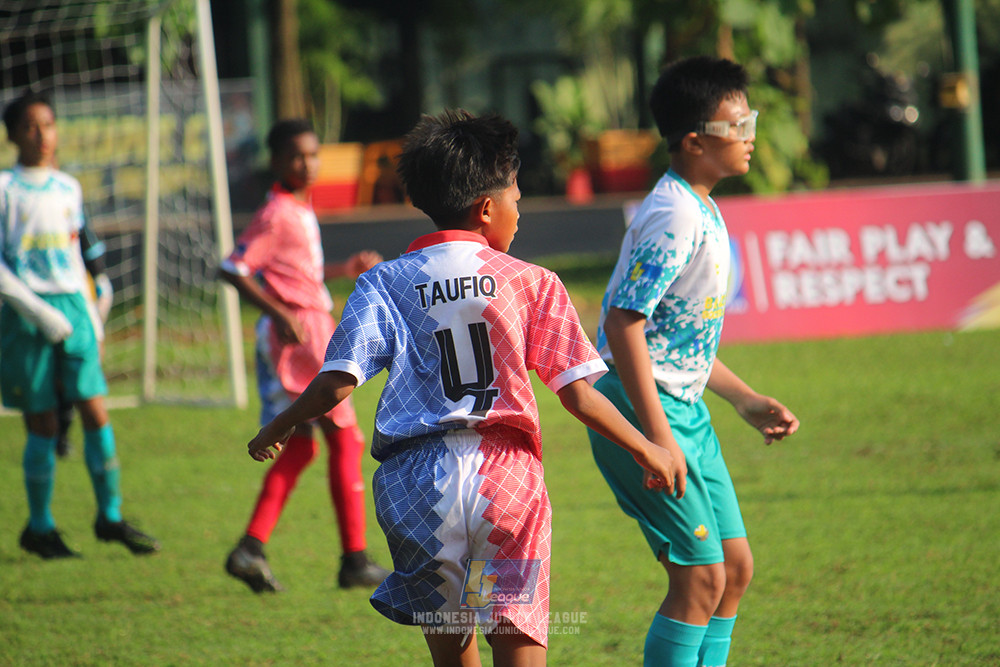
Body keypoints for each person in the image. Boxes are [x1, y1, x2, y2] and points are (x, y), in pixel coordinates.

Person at [244, 109, 678, 667]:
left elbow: (337, 382)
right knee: (517, 640)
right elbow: (578, 393)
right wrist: (646, 447)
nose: (519, 212)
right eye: (516, 198)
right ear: (487, 208)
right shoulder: (532, 281)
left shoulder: (383, 282)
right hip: (507, 482)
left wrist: (279, 425)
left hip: (418, 489)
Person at [585, 56, 800, 667]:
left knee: (734, 569)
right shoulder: (675, 215)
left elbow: (676, 341)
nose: (751, 134)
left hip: (681, 408)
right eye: (738, 125)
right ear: (694, 141)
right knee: (701, 579)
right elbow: (623, 324)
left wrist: (743, 398)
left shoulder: (699, 205)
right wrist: (656, 438)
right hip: (642, 408)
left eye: (751, 119)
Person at [219, 118, 389, 593]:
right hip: (303, 336)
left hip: (311, 327)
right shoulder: (277, 213)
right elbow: (233, 268)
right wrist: (279, 314)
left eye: (313, 154)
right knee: (345, 438)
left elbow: (297, 275)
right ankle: (354, 559)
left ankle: (250, 549)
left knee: (302, 444)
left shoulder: (297, 206)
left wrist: (343, 269)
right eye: (296, 156)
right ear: (275, 161)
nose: (307, 163)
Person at [1, 90, 160, 559]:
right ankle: (40, 527)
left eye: (48, 125)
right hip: (25, 313)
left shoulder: (68, 187)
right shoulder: (5, 188)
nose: (42, 135)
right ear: (12, 135)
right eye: (30, 127)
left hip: (74, 308)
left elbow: (76, 253)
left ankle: (110, 516)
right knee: (43, 422)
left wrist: (95, 311)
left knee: (95, 410)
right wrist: (38, 311)